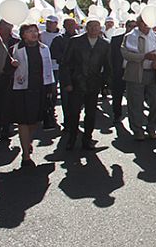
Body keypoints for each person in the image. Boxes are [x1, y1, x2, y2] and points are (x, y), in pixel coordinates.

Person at [6, 23, 54, 168]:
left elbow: (48, 69)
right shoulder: (15, 49)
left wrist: (50, 88)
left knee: (34, 121)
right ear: (23, 35)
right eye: (29, 31)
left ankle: (27, 141)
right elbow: (5, 70)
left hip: (39, 89)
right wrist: (11, 65)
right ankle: (26, 154)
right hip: (21, 90)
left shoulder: (44, 48)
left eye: (35, 31)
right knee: (23, 121)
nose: (34, 34)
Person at [61, 18, 112, 150]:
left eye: (97, 26)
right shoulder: (75, 41)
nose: (94, 29)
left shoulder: (104, 44)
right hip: (76, 82)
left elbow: (108, 66)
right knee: (74, 112)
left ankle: (87, 139)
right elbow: (65, 64)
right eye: (91, 26)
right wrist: (67, 82)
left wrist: (105, 84)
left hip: (94, 83)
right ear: (86, 28)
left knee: (91, 113)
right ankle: (72, 138)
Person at [121, 15, 156, 141]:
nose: (145, 24)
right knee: (135, 104)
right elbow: (125, 53)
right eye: (142, 22)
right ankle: (137, 130)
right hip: (136, 75)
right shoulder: (130, 36)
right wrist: (144, 56)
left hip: (154, 74)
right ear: (138, 23)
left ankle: (151, 128)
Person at [49, 17, 78, 131]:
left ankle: (75, 122)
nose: (70, 27)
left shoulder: (81, 38)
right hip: (65, 72)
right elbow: (54, 53)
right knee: (66, 99)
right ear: (64, 26)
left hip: (79, 73)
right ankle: (68, 122)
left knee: (78, 100)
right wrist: (67, 59)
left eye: (72, 24)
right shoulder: (59, 39)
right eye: (68, 25)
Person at [110, 19, 135, 122]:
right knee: (117, 94)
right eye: (130, 26)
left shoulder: (139, 40)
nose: (132, 29)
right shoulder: (116, 40)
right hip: (119, 71)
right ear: (126, 27)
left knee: (133, 95)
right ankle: (117, 114)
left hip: (133, 71)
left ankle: (133, 116)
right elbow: (111, 57)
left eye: (134, 27)